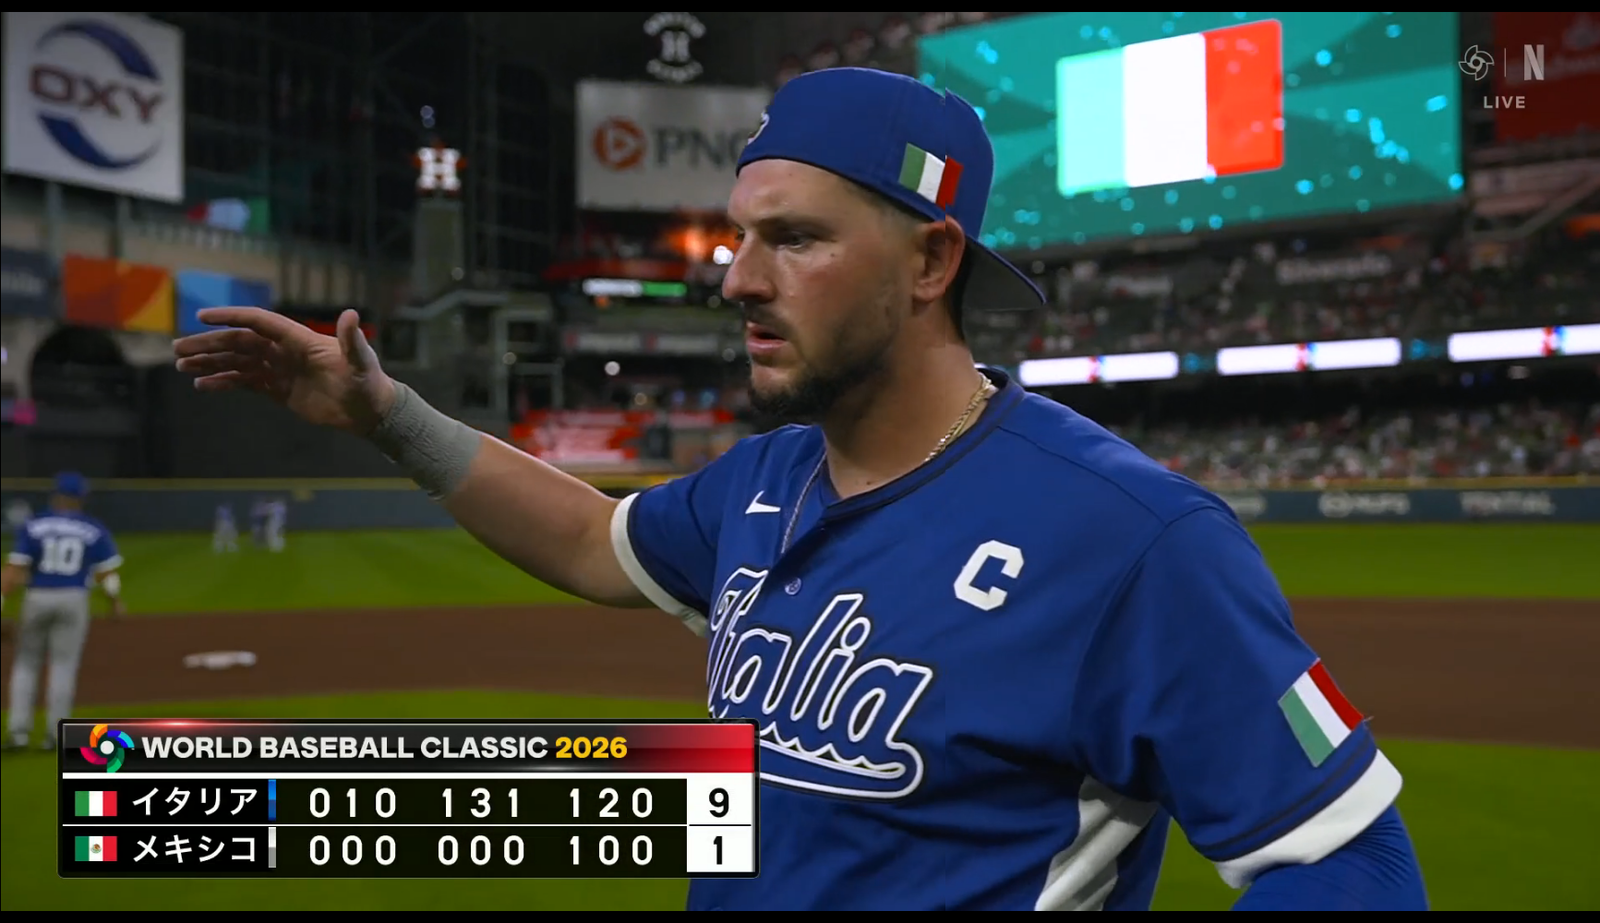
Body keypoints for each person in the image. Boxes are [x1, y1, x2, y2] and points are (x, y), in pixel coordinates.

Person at [171, 67, 1427, 910]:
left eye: (796, 238)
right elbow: (597, 541)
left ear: (930, 260)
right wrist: (389, 417)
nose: (736, 278)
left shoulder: (1132, 537)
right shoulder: (765, 477)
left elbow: (1342, 853)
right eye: (740, 235)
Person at [1, 471, 125, 752]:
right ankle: (55, 735)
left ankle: (18, 733)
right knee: (63, 666)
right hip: (74, 598)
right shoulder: (93, 528)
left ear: (56, 495)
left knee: (26, 664)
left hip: (37, 597)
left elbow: (14, 570)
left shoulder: (34, 525)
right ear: (81, 499)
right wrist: (114, 601)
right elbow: (107, 574)